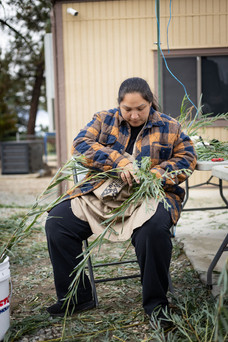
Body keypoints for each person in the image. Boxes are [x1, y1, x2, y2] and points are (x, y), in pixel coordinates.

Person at [45, 77, 197, 327]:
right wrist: (119, 162)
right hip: (102, 193)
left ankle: (156, 305)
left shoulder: (170, 126)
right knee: (58, 223)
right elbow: (81, 145)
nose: (134, 115)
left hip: (153, 195)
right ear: (119, 105)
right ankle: (76, 297)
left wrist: (157, 173)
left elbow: (187, 158)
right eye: (128, 109)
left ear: (151, 104)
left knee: (152, 232)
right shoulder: (104, 119)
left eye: (141, 108)